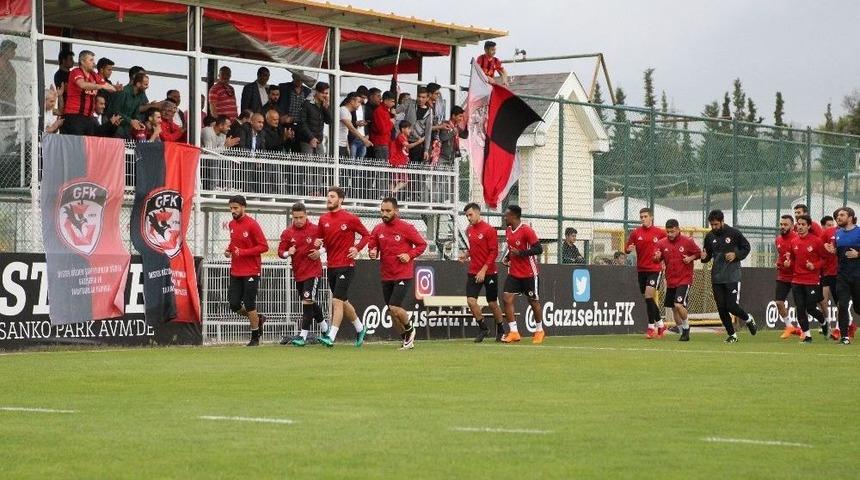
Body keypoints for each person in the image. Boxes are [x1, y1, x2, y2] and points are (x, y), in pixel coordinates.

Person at [314, 187, 371, 347]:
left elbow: (367, 235)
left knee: (337, 301)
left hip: (347, 265)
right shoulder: (323, 219)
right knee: (343, 301)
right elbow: (321, 241)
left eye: (332, 196)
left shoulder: (350, 219)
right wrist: (318, 244)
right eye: (328, 196)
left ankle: (331, 336)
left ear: (340, 200)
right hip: (331, 267)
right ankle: (360, 328)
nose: (329, 199)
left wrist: (357, 248)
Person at [368, 197, 427, 350]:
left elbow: (422, 244)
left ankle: (410, 330)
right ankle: (406, 340)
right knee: (392, 312)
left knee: (394, 307)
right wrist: (372, 252)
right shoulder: (378, 229)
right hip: (386, 275)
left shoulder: (406, 227)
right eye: (382, 210)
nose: (384, 213)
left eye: (388, 211)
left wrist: (409, 255)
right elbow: (372, 245)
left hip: (402, 274)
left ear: (396, 211)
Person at [277, 202, 329, 346]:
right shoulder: (287, 233)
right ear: (292, 217)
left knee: (307, 302)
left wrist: (320, 251)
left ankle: (302, 336)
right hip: (299, 273)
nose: (299, 220)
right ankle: (325, 329)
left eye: (301, 217)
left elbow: (329, 244)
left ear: (306, 215)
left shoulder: (316, 229)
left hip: (313, 273)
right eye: (296, 218)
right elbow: (280, 252)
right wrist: (289, 253)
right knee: (310, 303)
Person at [701, 209, 757, 343]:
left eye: (716, 224)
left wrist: (735, 255)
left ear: (722, 222)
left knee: (731, 306)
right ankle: (732, 335)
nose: (714, 227)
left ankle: (748, 318)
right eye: (712, 225)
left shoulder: (734, 233)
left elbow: (746, 247)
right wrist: (703, 258)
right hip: (717, 276)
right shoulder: (709, 237)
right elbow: (707, 256)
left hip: (732, 275)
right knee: (721, 307)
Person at [224, 195, 269, 346]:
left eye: (236, 208)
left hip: (251, 270)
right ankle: (258, 318)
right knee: (234, 304)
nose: (233, 211)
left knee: (249, 303)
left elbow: (264, 246)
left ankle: (255, 338)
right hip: (236, 270)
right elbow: (233, 244)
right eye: (231, 208)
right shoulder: (231, 224)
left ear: (244, 207)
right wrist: (229, 250)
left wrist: (242, 252)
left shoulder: (252, 224)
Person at [459, 203, 505, 342]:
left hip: (489, 272)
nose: (468, 218)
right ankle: (483, 327)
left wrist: (484, 271)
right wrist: (466, 255)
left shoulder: (489, 230)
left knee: (492, 303)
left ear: (478, 213)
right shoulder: (469, 230)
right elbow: (474, 248)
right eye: (466, 215)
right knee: (471, 301)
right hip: (474, 271)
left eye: (470, 214)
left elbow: (493, 252)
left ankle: (501, 330)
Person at [501, 204, 545, 344]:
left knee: (533, 301)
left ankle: (539, 330)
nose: (504, 217)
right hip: (514, 272)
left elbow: (539, 249)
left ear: (513, 216)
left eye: (506, 215)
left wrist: (521, 253)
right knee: (506, 299)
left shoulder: (527, 230)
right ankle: (514, 332)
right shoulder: (508, 230)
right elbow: (512, 248)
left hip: (529, 273)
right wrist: (508, 257)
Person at [653, 219, 702, 341]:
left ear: (678, 229)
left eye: (672, 231)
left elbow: (699, 253)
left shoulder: (687, 241)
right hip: (671, 280)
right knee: (674, 308)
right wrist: (657, 257)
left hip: (684, 279)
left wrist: (690, 258)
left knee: (678, 304)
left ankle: (686, 328)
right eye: (668, 232)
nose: (670, 234)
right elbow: (655, 259)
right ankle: (682, 331)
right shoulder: (661, 243)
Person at [624, 207, 667, 338]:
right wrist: (628, 249)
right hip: (641, 269)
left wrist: (664, 261)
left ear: (651, 217)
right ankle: (660, 324)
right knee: (647, 299)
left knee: (649, 296)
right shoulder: (636, 233)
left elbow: (667, 248)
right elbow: (626, 249)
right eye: (641, 217)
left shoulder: (660, 233)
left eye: (645, 216)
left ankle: (650, 327)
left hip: (655, 269)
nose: (643, 219)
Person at [786, 214, 827, 343]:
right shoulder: (794, 242)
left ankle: (824, 322)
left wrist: (814, 266)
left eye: (803, 224)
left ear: (809, 226)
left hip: (812, 280)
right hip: (797, 280)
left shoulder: (816, 241)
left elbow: (824, 259)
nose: (800, 227)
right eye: (799, 224)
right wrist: (788, 264)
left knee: (811, 308)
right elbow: (792, 260)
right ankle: (807, 335)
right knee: (800, 308)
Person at [62, 50, 119, 135]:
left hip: (89, 117)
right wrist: (100, 86)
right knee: (76, 144)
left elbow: (107, 85)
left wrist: (115, 88)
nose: (94, 63)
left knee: (89, 144)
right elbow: (82, 84)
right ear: (82, 61)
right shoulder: (76, 71)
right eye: (91, 60)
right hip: (74, 116)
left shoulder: (94, 75)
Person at [833, 207, 860, 345]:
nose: (838, 217)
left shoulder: (859, 232)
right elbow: (837, 252)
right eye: (837, 215)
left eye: (842, 215)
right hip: (842, 276)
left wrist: (858, 254)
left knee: (858, 308)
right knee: (842, 305)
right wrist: (832, 251)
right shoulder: (837, 234)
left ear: (850, 217)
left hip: (858, 276)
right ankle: (844, 337)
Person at [774, 215, 801, 339]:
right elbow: (781, 256)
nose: (782, 227)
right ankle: (789, 326)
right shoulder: (778, 239)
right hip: (783, 276)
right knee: (779, 302)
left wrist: (792, 264)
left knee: (801, 304)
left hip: (797, 276)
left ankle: (804, 329)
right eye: (781, 224)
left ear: (792, 225)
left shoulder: (797, 239)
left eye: (785, 225)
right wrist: (779, 263)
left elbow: (802, 259)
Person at [107, 72, 149, 139]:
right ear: (138, 84)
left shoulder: (140, 95)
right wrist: (130, 121)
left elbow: (135, 114)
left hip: (127, 128)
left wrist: (139, 123)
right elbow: (115, 111)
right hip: (115, 126)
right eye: (145, 84)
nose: (147, 87)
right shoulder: (124, 91)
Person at [820, 215, 840, 339]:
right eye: (838, 217)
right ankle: (827, 324)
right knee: (822, 301)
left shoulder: (851, 233)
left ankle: (838, 328)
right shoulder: (828, 232)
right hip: (826, 272)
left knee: (840, 302)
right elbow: (818, 245)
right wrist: (824, 247)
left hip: (841, 273)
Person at [389, 120, 422, 195]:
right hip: (398, 161)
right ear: (403, 129)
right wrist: (418, 142)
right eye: (408, 128)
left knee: (397, 180)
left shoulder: (404, 137)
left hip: (401, 161)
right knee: (403, 181)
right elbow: (408, 146)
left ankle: (392, 193)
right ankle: (393, 191)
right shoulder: (401, 137)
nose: (410, 130)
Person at [298, 82, 330, 155]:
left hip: (319, 140)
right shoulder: (307, 103)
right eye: (323, 93)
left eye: (326, 93)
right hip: (307, 140)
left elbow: (329, 121)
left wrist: (326, 108)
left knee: (320, 164)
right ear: (316, 92)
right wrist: (311, 137)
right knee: (308, 165)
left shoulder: (323, 105)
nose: (325, 95)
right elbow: (302, 123)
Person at [370, 91, 396, 161]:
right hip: (380, 143)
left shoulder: (385, 111)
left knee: (383, 167)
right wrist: (391, 123)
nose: (393, 104)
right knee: (382, 167)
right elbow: (382, 130)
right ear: (386, 100)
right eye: (392, 101)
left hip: (384, 142)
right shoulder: (379, 111)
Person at [0, 40, 17, 116]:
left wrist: (11, 100)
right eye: (12, 50)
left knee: (11, 126)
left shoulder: (9, 65)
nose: (14, 53)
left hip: (10, 101)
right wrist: (7, 99)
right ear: (5, 50)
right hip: (2, 102)